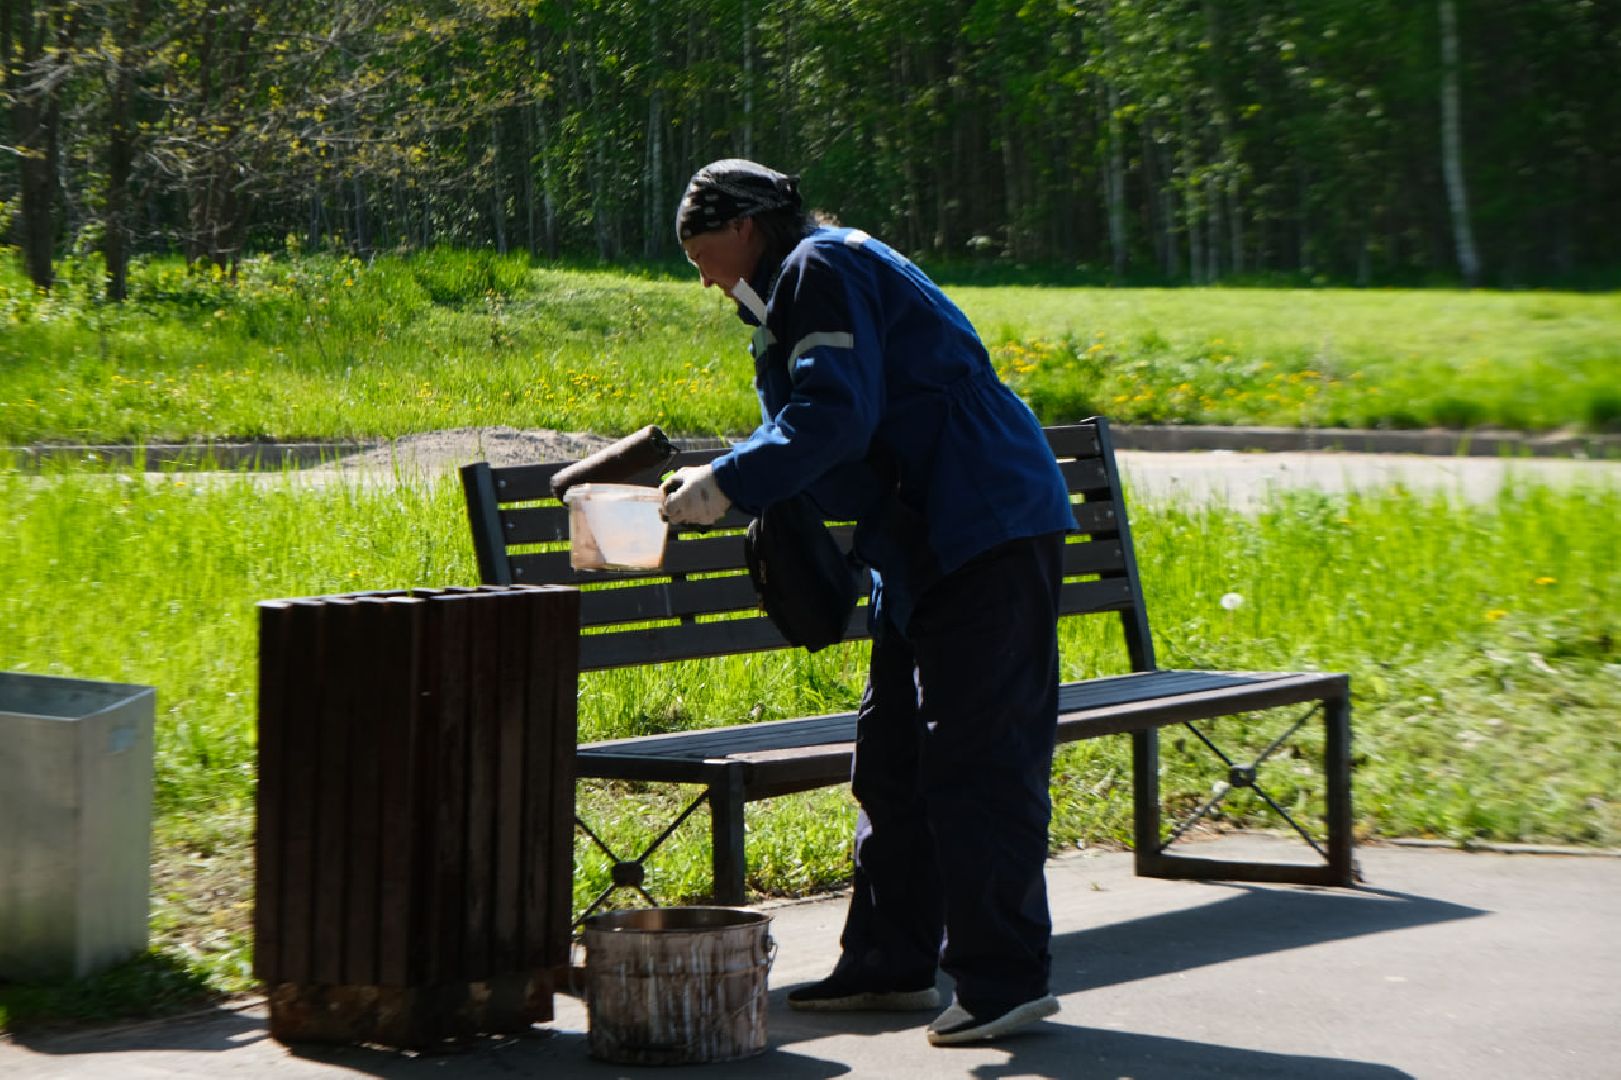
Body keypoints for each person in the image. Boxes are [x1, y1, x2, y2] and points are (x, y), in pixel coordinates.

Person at [661, 159, 1077, 1046]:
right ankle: (890, 964)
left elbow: (832, 417)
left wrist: (727, 482)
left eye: (698, 248)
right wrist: (745, 485)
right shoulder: (794, 290)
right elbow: (833, 428)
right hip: (923, 545)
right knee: (891, 762)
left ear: (742, 227)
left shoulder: (818, 267)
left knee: (978, 761)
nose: (700, 274)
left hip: (984, 525)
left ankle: (1004, 980)